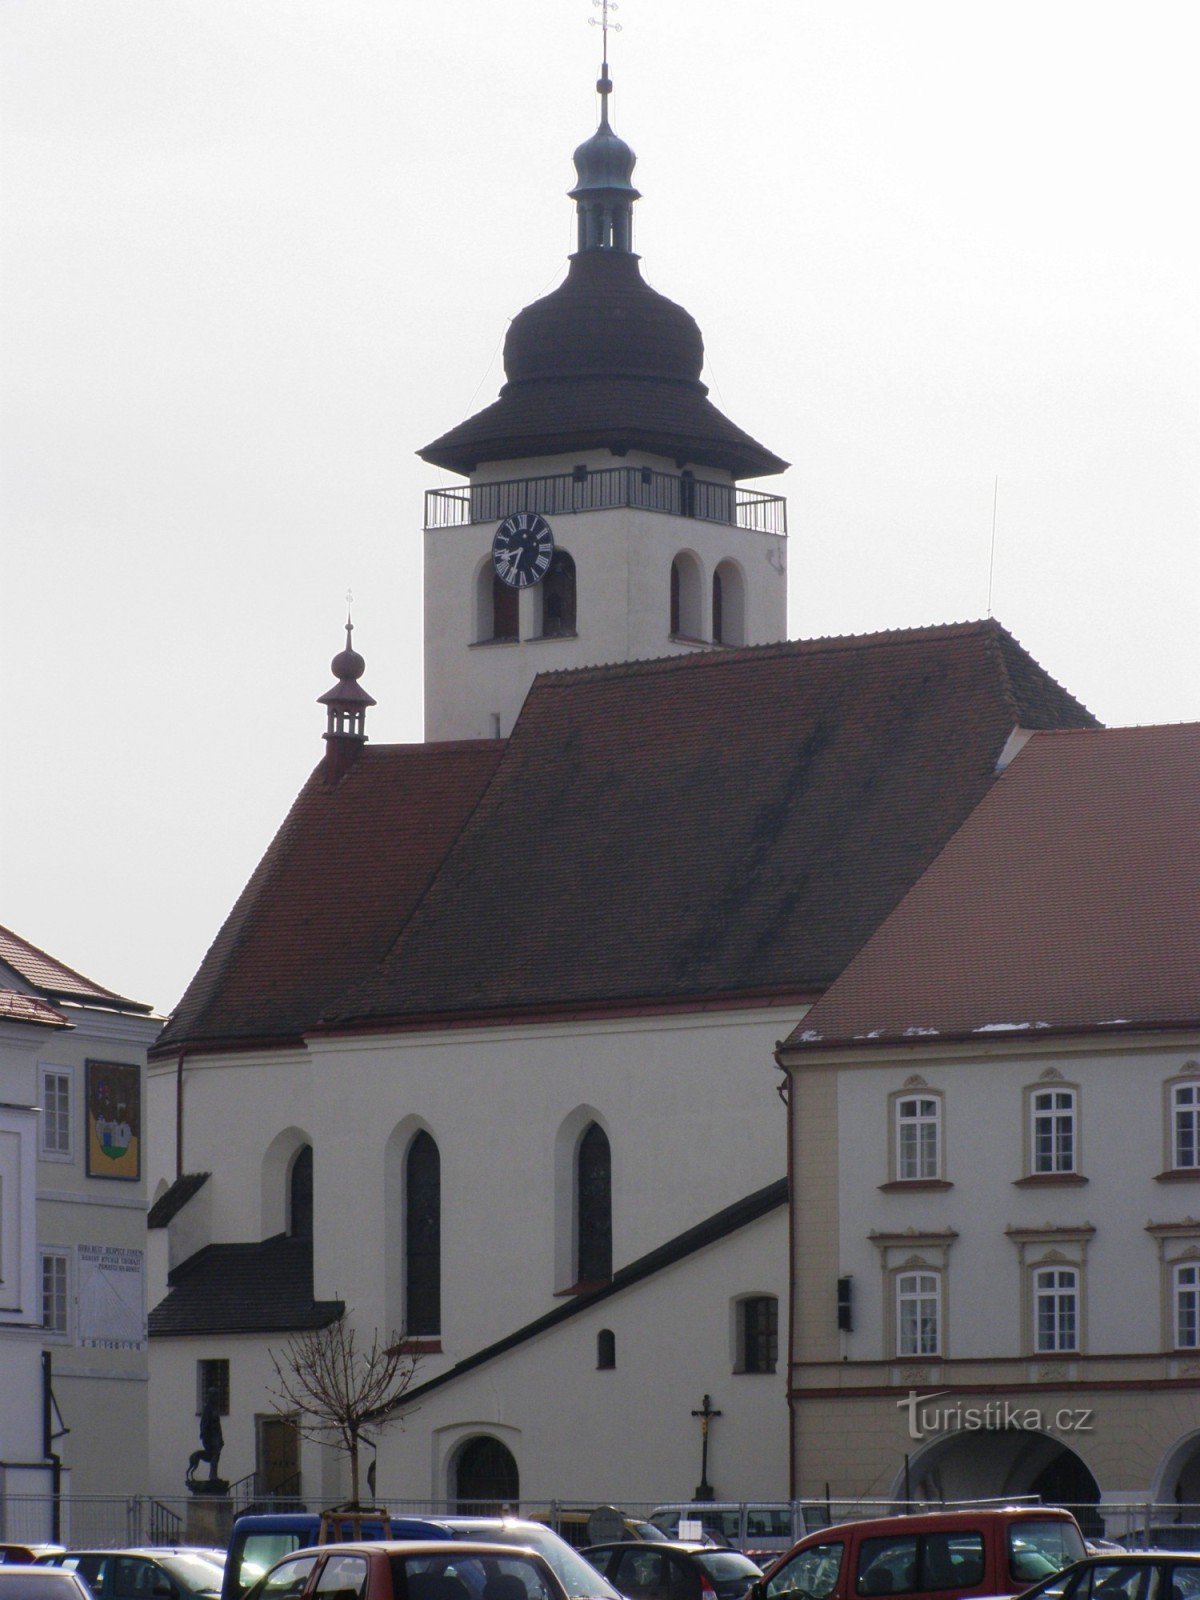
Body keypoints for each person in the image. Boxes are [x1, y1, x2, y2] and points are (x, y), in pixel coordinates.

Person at [186, 1389, 224, 1485]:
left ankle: (213, 1474)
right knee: (214, 1455)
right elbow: (204, 1424)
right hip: (210, 1437)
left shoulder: (214, 1408)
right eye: (215, 1396)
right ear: (211, 1397)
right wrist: (205, 1436)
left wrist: (220, 1438)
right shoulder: (208, 1409)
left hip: (216, 1436)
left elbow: (218, 1425)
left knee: (216, 1455)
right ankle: (212, 1475)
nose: (217, 1398)